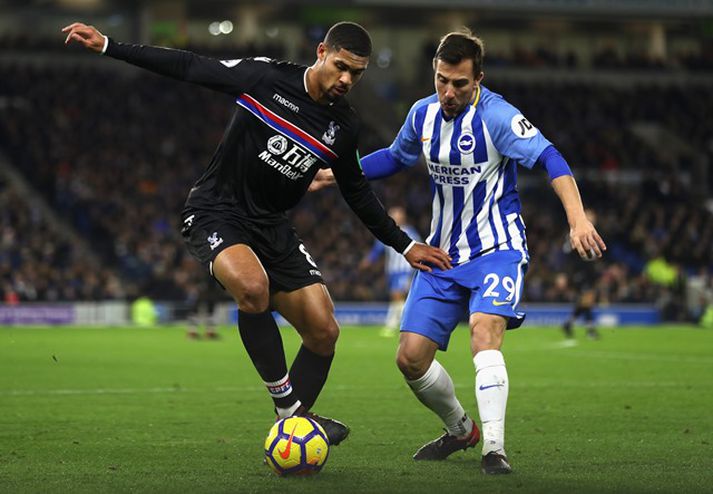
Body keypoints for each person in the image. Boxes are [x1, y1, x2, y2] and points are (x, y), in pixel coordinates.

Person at [62, 21, 451, 448]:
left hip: (273, 226)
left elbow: (357, 192)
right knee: (252, 288)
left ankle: (290, 429)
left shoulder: (344, 126)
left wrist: (407, 244)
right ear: (321, 51)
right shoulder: (266, 78)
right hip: (216, 211)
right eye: (341, 66)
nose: (346, 79)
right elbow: (192, 66)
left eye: (356, 73)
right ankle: (291, 412)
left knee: (324, 332)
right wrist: (110, 46)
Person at [311, 28, 606, 473]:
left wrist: (578, 218)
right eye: (441, 80)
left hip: (496, 248)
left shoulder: (499, 117)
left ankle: (494, 449)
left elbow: (551, 159)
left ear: (479, 79)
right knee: (409, 358)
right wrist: (338, 172)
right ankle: (460, 429)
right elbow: (395, 156)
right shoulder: (421, 114)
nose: (448, 92)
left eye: (460, 84)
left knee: (484, 331)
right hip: (442, 253)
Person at [359, 206, 420, 337]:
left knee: (398, 296)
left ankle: (396, 325)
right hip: (392, 271)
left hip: (405, 270)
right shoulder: (387, 231)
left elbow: (419, 249)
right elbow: (377, 249)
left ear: (402, 217)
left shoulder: (410, 232)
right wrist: (369, 260)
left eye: (396, 215)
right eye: (392, 215)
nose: (393, 217)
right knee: (396, 298)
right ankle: (402, 325)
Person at [562, 208, 602, 340]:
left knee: (585, 302)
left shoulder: (593, 232)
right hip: (580, 272)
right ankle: (590, 330)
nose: (593, 219)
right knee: (587, 300)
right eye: (590, 216)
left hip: (589, 272)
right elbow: (568, 251)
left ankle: (569, 324)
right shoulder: (576, 232)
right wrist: (568, 273)